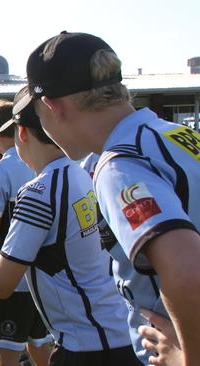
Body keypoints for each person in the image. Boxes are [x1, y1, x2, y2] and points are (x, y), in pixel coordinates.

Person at [13, 31, 200, 365]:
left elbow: (187, 268)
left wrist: (186, 359)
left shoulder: (120, 165)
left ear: (52, 106)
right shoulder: (177, 135)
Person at [0, 91, 141, 365]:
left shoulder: (39, 191)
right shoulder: (79, 172)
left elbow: (1, 283)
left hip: (88, 345)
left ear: (21, 133)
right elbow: (27, 256)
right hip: (114, 331)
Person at [0, 100, 52, 366]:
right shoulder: (44, 161)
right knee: (39, 345)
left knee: (6, 350)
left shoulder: (0, 168)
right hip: (43, 271)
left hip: (9, 272)